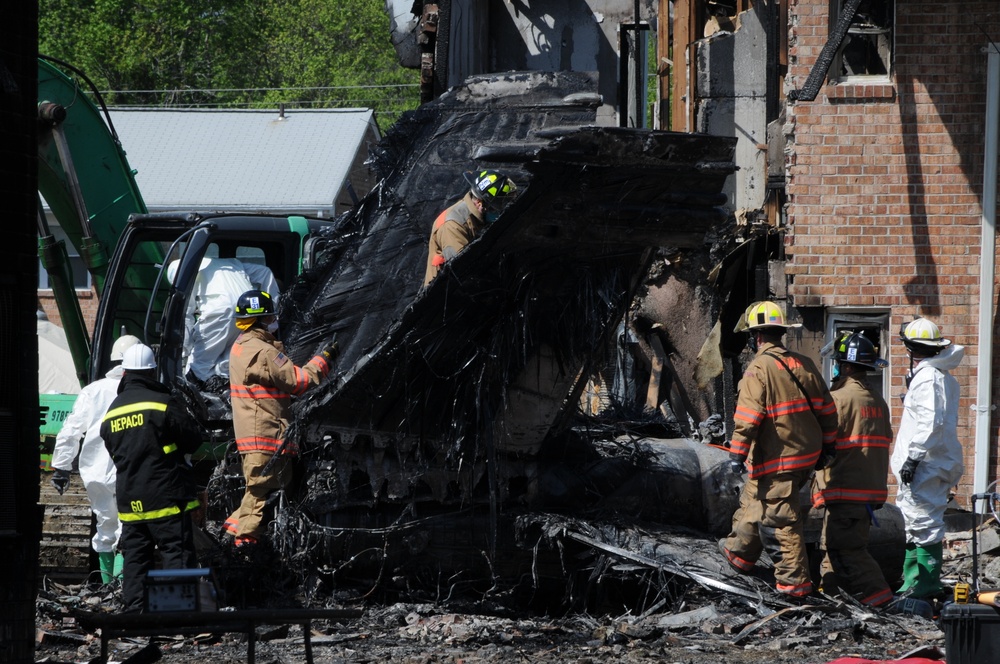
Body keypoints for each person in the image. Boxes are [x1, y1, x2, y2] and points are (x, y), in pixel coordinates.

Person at [720, 300, 838, 599]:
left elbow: (747, 419)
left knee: (782, 521)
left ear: (756, 336)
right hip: (805, 456)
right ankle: (739, 554)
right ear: (780, 333)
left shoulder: (758, 369)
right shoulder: (805, 364)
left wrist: (736, 455)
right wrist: (828, 445)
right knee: (757, 501)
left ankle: (795, 587)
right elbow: (827, 411)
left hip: (779, 458)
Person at [223, 290, 338, 545]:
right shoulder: (263, 352)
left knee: (253, 494)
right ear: (262, 319)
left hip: (251, 439)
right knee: (258, 499)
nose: (275, 319)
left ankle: (227, 536)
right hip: (267, 439)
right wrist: (325, 359)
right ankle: (243, 551)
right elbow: (298, 381)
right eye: (271, 315)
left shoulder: (240, 347)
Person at [100, 344, 204, 612]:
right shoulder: (163, 403)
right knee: (175, 552)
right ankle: (175, 614)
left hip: (130, 498)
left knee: (136, 556)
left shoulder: (112, 412)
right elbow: (191, 440)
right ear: (151, 372)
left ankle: (135, 614)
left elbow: (115, 452)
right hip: (165, 493)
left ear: (125, 373)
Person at [50, 334, 141, 584]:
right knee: (127, 528)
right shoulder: (140, 391)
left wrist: (61, 467)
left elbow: (71, 430)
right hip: (128, 471)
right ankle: (122, 588)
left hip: (96, 471)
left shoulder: (93, 391)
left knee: (105, 525)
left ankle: (107, 587)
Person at [812, 331, 893, 608]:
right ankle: (830, 597)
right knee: (831, 548)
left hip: (845, 487)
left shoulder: (839, 399)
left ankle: (882, 599)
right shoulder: (878, 401)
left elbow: (821, 443)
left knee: (849, 550)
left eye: (837, 363)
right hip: (867, 491)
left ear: (845, 367)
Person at [891, 317, 964, 598]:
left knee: (923, 523)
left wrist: (913, 458)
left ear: (910, 348)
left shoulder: (928, 378)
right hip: (934, 462)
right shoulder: (942, 376)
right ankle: (912, 581)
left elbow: (930, 423)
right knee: (914, 521)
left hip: (925, 465)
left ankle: (925, 584)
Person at [422, 169, 517, 285]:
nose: (502, 211)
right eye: (499, 207)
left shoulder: (477, 221)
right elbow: (463, 272)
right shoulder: (452, 226)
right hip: (446, 297)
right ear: (480, 203)